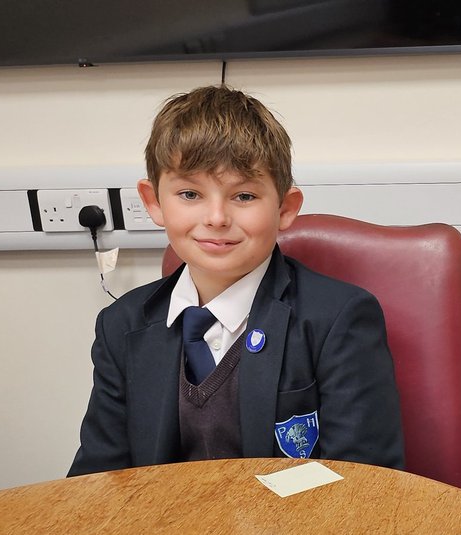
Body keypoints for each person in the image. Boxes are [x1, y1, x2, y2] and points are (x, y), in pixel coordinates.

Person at [69, 85, 403, 476]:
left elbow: (364, 482)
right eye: (190, 193)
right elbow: (99, 481)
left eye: (243, 196)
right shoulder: (121, 326)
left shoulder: (337, 320)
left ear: (285, 208)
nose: (216, 217)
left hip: (296, 532)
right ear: (154, 202)